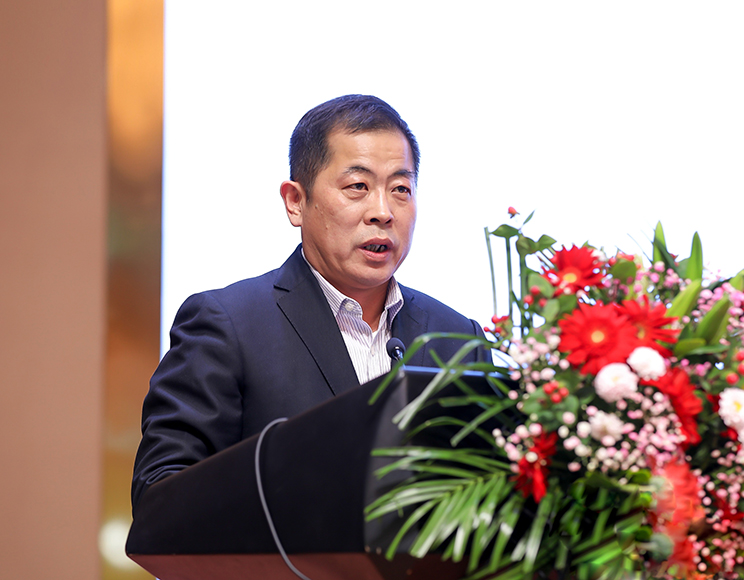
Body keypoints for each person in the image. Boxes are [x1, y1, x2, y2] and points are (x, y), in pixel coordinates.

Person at [131, 95, 489, 514]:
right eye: (358, 187)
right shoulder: (227, 327)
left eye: (400, 190)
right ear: (295, 201)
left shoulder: (457, 339)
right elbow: (161, 499)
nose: (383, 212)